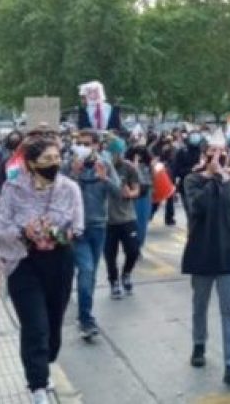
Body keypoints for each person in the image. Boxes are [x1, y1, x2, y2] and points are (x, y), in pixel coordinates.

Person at [0, 137, 83, 404]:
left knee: (54, 325)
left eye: (57, 158)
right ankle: (37, 385)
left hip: (59, 263)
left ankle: (45, 363)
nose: (54, 164)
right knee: (35, 326)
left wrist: (55, 235)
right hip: (23, 263)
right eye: (46, 160)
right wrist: (25, 231)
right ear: (31, 163)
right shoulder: (13, 188)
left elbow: (77, 227)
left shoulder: (70, 189)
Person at [182, 137, 230, 389]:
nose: (217, 156)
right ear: (203, 156)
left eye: (222, 152)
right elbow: (196, 208)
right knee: (200, 304)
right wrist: (212, 178)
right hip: (202, 254)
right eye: (212, 151)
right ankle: (199, 344)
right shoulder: (192, 181)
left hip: (229, 255)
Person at [64, 130, 120, 339]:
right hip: (76, 229)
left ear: (97, 146)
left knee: (90, 273)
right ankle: (86, 319)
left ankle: (84, 313)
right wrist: (74, 175)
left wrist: (104, 178)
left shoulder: (104, 164)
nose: (82, 147)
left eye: (87, 144)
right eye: (79, 143)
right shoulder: (69, 164)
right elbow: (58, 193)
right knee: (86, 270)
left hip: (98, 226)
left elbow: (119, 193)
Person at [104, 137, 141, 299]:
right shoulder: (101, 168)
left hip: (127, 217)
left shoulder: (129, 168)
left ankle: (126, 274)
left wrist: (130, 193)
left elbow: (137, 190)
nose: (115, 156)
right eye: (112, 153)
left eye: (118, 153)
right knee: (110, 255)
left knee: (133, 250)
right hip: (107, 220)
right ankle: (114, 282)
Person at [125, 144, 154, 248]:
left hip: (144, 196)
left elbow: (149, 181)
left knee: (142, 224)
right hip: (131, 197)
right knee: (131, 223)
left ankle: (138, 245)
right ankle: (131, 245)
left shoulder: (148, 166)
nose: (139, 157)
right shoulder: (127, 166)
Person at [174, 129, 205, 219]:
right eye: (193, 135)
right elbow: (177, 170)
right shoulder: (182, 152)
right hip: (186, 185)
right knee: (191, 212)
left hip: (202, 186)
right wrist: (192, 169)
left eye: (197, 135)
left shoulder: (203, 152)